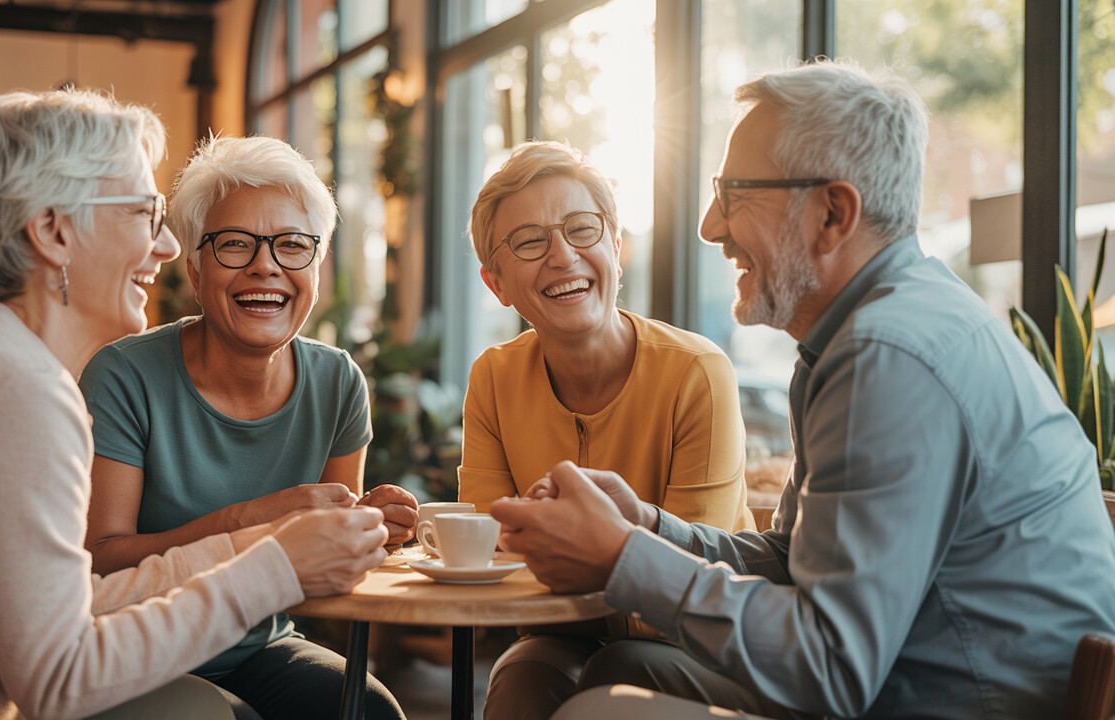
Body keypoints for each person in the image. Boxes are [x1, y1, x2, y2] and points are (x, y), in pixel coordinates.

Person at [492, 60, 1115, 720]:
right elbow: (796, 561)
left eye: (735, 194)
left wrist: (623, 557)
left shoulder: (887, 356)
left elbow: (832, 667)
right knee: (623, 668)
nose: (710, 225)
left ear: (832, 213)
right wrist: (647, 528)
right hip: (899, 683)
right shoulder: (868, 334)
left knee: (600, 713)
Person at [0, 89, 390, 720]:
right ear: (53, 231)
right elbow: (61, 681)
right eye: (143, 213)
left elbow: (77, 603)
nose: (170, 249)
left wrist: (258, 551)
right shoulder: (11, 388)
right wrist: (273, 567)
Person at [78, 134, 412, 720]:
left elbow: (322, 576)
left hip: (262, 645)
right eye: (235, 244)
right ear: (196, 267)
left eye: (292, 245)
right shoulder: (123, 376)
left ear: (316, 263)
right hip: (139, 646)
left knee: (367, 711)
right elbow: (98, 560)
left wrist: (367, 530)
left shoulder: (338, 383)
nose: (267, 265)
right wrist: (250, 519)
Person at [459, 140, 754, 719]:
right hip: (561, 633)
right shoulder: (493, 376)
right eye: (529, 241)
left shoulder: (697, 372)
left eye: (581, 229)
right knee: (521, 675)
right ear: (496, 284)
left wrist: (564, 553)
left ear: (615, 250)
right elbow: (488, 554)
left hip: (705, 644)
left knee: (619, 669)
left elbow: (690, 584)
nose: (563, 256)